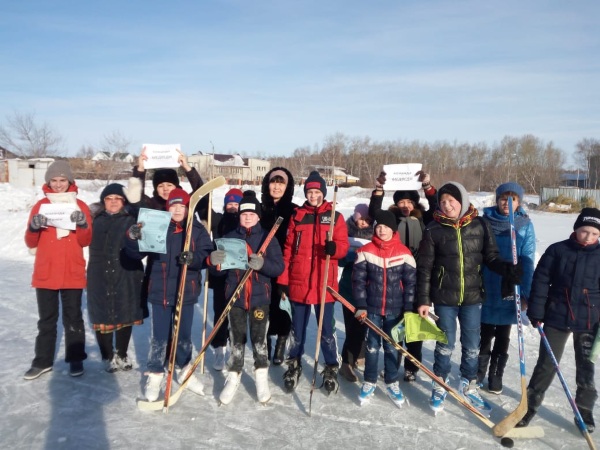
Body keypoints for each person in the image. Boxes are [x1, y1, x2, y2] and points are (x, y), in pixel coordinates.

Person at [416, 182, 519, 414]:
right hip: (444, 296)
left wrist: (505, 268)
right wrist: (423, 299)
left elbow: (491, 256)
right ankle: (440, 382)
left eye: (451, 201)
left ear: (461, 201)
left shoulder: (480, 224)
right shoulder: (433, 229)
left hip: (472, 296)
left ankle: (469, 382)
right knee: (445, 343)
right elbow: (425, 267)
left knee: (472, 344)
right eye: (442, 201)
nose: (447, 205)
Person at [516, 208, 600, 433]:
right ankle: (529, 407)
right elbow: (541, 281)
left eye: (594, 234)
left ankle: (584, 411)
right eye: (584, 231)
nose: (589, 237)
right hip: (557, 315)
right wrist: (536, 311)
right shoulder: (557, 250)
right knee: (546, 364)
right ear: (576, 229)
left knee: (586, 367)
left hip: (590, 320)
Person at [125, 188, 212, 401]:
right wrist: (132, 238)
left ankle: (184, 370)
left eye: (181, 206)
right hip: (160, 291)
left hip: (186, 290)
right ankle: (155, 372)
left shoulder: (196, 229)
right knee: (160, 336)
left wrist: (193, 258)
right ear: (167, 208)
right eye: (173, 205)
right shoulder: (158, 226)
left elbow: (207, 253)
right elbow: (136, 253)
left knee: (183, 336)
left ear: (187, 208)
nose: (177, 209)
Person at [208, 191, 284, 405]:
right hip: (236, 298)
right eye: (243, 213)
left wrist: (263, 265)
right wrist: (215, 262)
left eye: (252, 213)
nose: (247, 216)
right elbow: (219, 272)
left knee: (260, 341)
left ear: (258, 216)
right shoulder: (230, 237)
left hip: (260, 298)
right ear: (239, 216)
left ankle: (261, 378)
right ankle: (233, 376)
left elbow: (279, 267)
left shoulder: (267, 238)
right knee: (237, 340)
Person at [277, 171, 349, 393]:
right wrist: (283, 279)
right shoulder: (298, 215)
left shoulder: (335, 215)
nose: (313, 195)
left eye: (317, 192)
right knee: (297, 329)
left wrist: (334, 249)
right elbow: (288, 249)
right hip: (299, 280)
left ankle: (330, 366)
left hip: (323, 281)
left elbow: (344, 246)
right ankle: (294, 362)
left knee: (326, 329)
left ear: (323, 193)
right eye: (310, 191)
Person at [23, 160, 92, 379]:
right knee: (46, 320)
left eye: (62, 180)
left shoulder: (80, 206)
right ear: (48, 182)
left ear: (70, 181)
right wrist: (34, 227)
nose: (58, 184)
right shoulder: (40, 206)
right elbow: (29, 241)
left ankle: (75, 359)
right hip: (46, 273)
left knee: (73, 320)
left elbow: (86, 240)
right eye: (54, 180)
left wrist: (82, 225)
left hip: (71, 271)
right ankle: (42, 361)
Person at [368, 169, 438, 382]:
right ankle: (392, 364)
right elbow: (373, 212)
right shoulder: (390, 219)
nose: (405, 205)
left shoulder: (424, 218)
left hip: (417, 279)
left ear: (415, 204)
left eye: (409, 202)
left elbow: (436, 208)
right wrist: (379, 188)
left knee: (414, 325)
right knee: (395, 325)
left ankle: (412, 366)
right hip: (393, 277)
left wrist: (427, 186)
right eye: (402, 202)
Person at [352, 210, 417, 407]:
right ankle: (370, 380)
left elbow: (411, 284)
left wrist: (408, 308)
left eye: (385, 227)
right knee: (372, 346)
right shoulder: (365, 251)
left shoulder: (405, 253)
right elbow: (358, 282)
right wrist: (361, 304)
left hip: (395, 310)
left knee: (392, 347)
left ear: (393, 230)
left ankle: (391, 381)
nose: (381, 230)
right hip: (371, 308)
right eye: (378, 226)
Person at [478, 182, 535, 393]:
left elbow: (527, 261)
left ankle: (496, 375)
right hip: (486, 284)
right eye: (503, 198)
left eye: (513, 199)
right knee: (483, 335)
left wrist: (526, 293)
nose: (507, 203)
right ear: (497, 199)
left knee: (503, 335)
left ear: (519, 202)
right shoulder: (484, 222)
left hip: (509, 287)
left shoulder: (525, 225)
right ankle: (478, 372)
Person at [87, 182, 147, 373]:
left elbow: (147, 219)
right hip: (99, 273)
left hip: (126, 272)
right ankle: (107, 355)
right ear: (103, 201)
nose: (113, 202)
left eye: (117, 199)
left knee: (124, 314)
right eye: (109, 199)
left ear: (124, 201)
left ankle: (121, 353)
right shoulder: (94, 219)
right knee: (102, 316)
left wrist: (139, 236)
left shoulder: (131, 218)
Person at [260, 167, 298, 366]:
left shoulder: (294, 210)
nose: (276, 186)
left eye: (280, 182)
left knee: (283, 305)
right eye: (273, 182)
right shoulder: (259, 208)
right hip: (261, 265)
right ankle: (264, 341)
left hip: (285, 265)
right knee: (263, 305)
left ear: (287, 186)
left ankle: (281, 343)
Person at [208, 187, 244, 371]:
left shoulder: (245, 222)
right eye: (229, 203)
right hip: (221, 275)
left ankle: (235, 347)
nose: (232, 207)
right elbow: (201, 204)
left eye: (236, 203)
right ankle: (219, 348)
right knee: (220, 313)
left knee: (237, 314)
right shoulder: (218, 220)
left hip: (239, 276)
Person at [338, 204, 373, 382]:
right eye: (361, 219)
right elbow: (339, 261)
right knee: (352, 327)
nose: (364, 223)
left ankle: (357, 354)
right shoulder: (344, 231)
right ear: (355, 217)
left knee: (361, 326)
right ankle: (346, 363)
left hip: (367, 289)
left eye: (367, 220)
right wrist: (350, 256)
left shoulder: (376, 233)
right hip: (347, 288)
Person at [133, 146, 204, 211]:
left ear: (176, 186)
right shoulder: (150, 204)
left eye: (169, 185)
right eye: (160, 186)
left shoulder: (185, 202)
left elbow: (201, 191)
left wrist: (186, 167)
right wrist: (140, 169)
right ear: (156, 189)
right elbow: (136, 195)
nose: (165, 189)